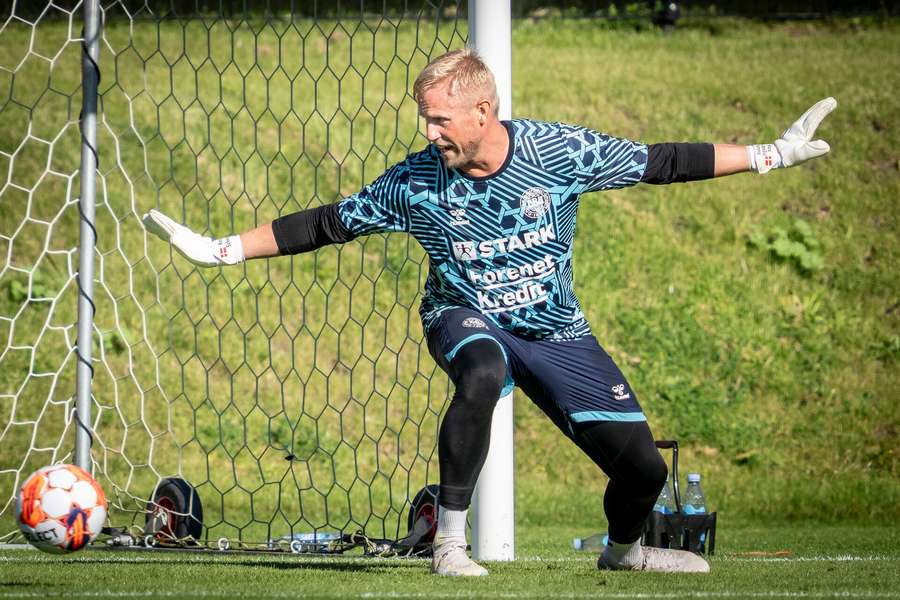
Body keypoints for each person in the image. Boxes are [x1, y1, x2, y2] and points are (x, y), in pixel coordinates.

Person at [143, 48, 835, 576]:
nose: (429, 130)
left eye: (439, 118)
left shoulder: (556, 152)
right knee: (481, 372)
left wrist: (770, 154)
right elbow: (327, 223)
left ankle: (625, 555)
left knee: (646, 473)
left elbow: (662, 161)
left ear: (483, 112)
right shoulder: (416, 182)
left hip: (556, 330)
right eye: (424, 117)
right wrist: (224, 250)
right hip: (462, 315)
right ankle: (450, 541)